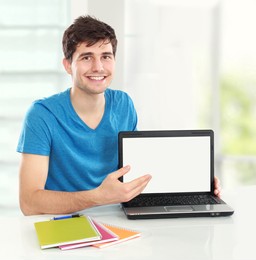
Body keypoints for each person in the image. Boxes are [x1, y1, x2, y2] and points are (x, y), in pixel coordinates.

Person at [17, 15, 220, 216]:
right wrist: (97, 197)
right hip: (62, 222)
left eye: (106, 56)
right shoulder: (42, 115)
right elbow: (29, 203)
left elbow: (136, 168)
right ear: (68, 65)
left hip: (117, 218)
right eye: (86, 57)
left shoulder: (123, 104)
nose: (98, 67)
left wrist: (194, 184)